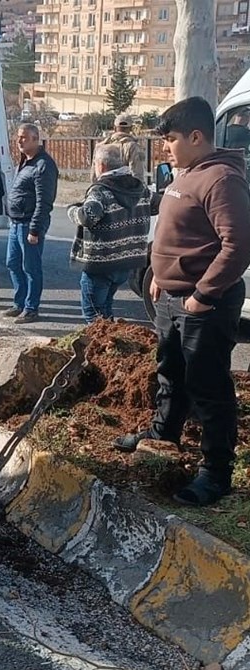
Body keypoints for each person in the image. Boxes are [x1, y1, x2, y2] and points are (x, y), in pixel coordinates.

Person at [114, 97, 250, 506]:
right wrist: (157, 274)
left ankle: (215, 472)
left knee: (207, 386)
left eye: (171, 139)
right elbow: (172, 232)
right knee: (170, 371)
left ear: (196, 136)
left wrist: (203, 295)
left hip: (203, 304)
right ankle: (163, 432)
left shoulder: (221, 179)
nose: (166, 147)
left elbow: (239, 245)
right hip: (170, 297)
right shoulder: (185, 174)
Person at [66, 144, 151, 322]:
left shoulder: (100, 191)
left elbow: (88, 215)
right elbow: (158, 203)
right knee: (105, 309)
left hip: (101, 264)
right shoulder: (140, 189)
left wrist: (73, 210)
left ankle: (99, 348)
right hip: (126, 262)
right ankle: (110, 343)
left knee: (93, 315)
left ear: (101, 165)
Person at [4, 123, 59, 324]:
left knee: (31, 267)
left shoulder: (43, 165)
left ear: (36, 139)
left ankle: (31, 308)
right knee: (12, 263)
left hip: (29, 224)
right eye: (18, 137)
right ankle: (19, 303)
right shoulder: (26, 162)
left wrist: (35, 229)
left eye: (24, 137)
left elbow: (44, 201)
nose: (19, 141)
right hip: (16, 223)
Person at [100, 114, 147, 182]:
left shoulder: (101, 146)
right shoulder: (133, 147)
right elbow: (137, 174)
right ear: (131, 128)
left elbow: (94, 176)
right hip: (124, 189)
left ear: (114, 128)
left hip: (103, 188)